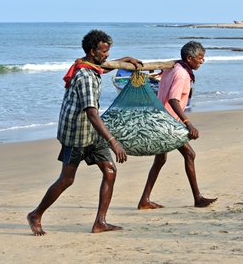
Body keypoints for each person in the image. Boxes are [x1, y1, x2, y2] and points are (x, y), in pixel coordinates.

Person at [27, 30, 142, 235]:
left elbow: (104, 67)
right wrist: (113, 142)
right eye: (104, 51)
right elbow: (91, 113)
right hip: (77, 133)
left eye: (108, 52)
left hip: (93, 132)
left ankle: (100, 222)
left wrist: (125, 60)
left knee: (110, 171)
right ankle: (35, 215)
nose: (106, 55)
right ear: (92, 51)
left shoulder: (88, 63)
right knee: (67, 179)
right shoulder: (85, 76)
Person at [138, 41, 218, 209]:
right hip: (169, 121)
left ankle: (144, 200)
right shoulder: (182, 74)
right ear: (189, 58)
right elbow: (174, 100)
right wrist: (188, 123)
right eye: (199, 58)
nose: (201, 62)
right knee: (189, 154)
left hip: (161, 118)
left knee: (160, 159)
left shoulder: (172, 67)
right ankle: (198, 198)